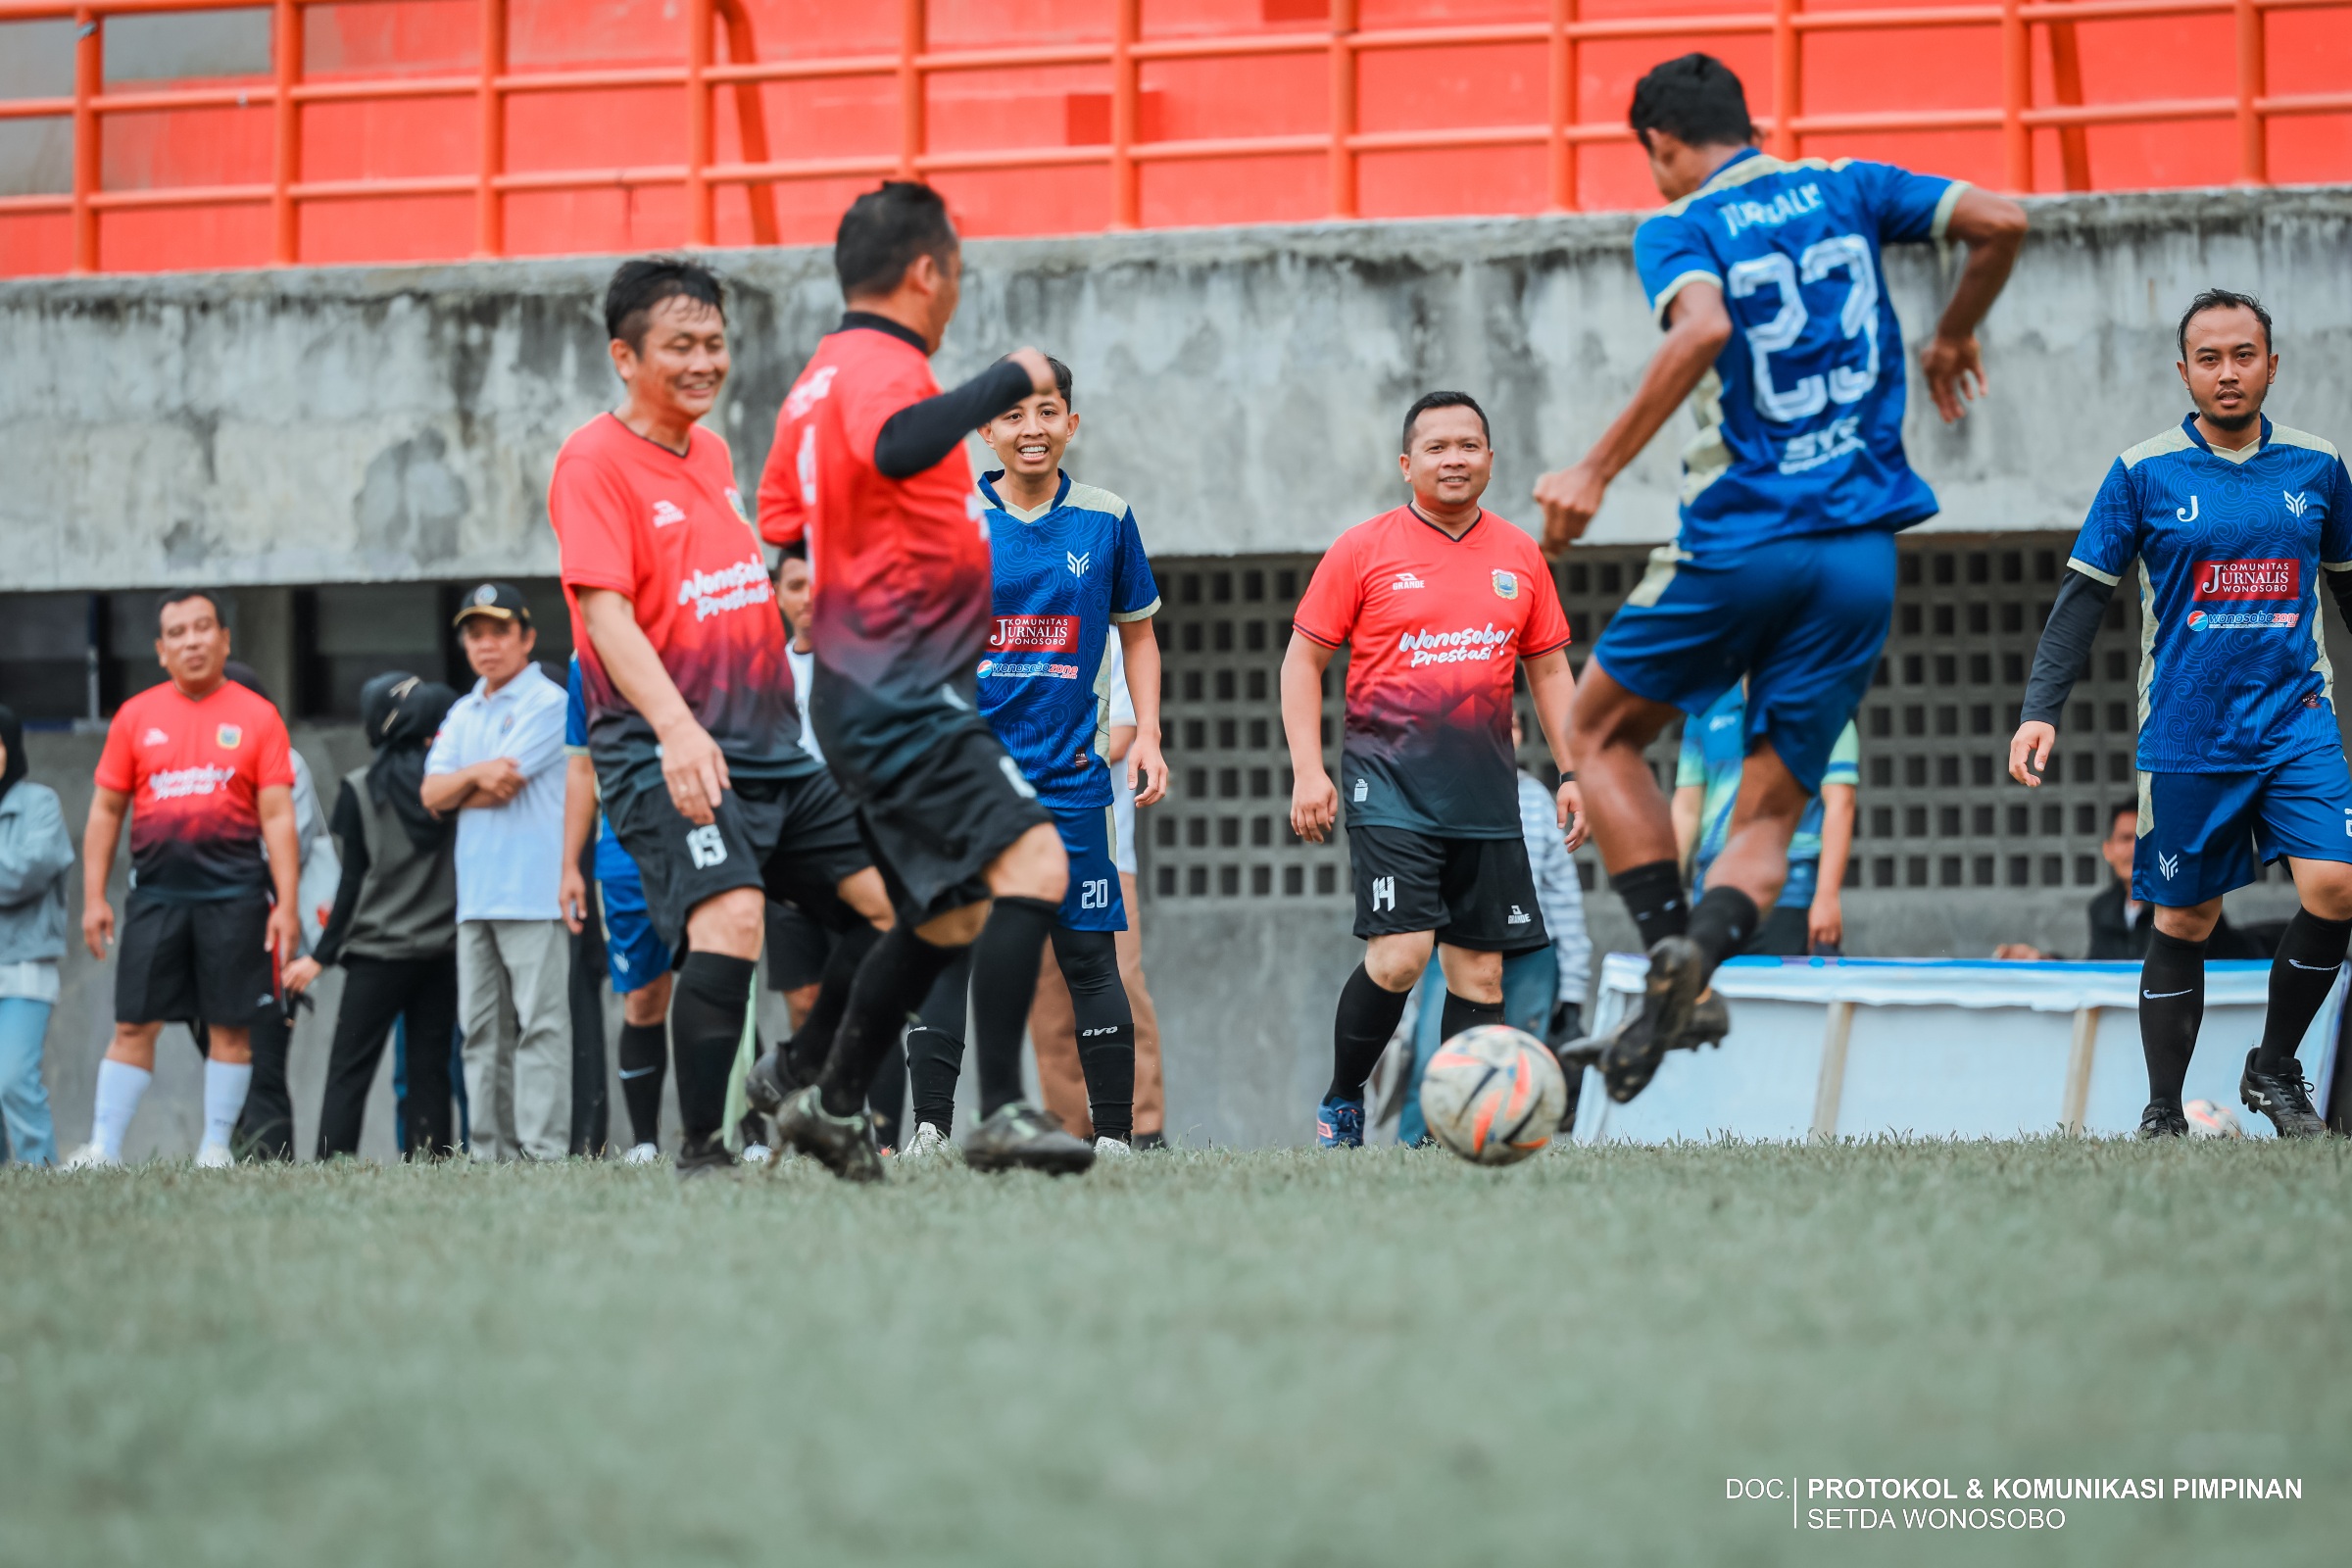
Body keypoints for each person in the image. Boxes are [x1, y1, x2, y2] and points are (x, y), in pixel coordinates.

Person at [1532, 53, 2027, 1103]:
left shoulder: (1681, 224)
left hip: (1745, 537)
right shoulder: (1850, 186)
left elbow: (1706, 325)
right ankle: (1699, 963)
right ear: (1747, 124)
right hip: (1861, 555)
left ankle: (1667, 949)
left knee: (1596, 731)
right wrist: (1951, 333)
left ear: (1662, 143)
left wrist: (1594, 469)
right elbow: (2002, 219)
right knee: (1767, 814)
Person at [756, 179, 1096, 1178]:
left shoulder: (814, 381)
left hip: (863, 685)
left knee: (944, 914)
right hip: (902, 685)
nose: (954, 294)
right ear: (925, 271)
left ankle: (824, 1094)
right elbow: (898, 446)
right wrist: (1006, 379)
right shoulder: (884, 366)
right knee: (1036, 863)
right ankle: (1002, 1113)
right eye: (955, 274)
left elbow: (781, 519)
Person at [557, 257, 896, 1181]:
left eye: (715, 342)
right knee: (734, 915)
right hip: (664, 749)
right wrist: (676, 730)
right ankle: (703, 1153)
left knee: (896, 904)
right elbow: (606, 616)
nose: (705, 361)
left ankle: (795, 1072)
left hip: (773, 752)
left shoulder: (709, 453)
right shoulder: (592, 462)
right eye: (681, 345)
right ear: (625, 357)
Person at [2008, 288, 2352, 1140]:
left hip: (2297, 720)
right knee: (2184, 920)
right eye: (2210, 358)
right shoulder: (2142, 471)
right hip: (2189, 733)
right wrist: (2040, 709)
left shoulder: (2319, 466)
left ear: (2272, 365)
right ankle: (2164, 1109)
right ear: (2184, 371)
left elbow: (2349, 588)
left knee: (2338, 886)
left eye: (2244, 355)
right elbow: (2082, 597)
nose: (2228, 372)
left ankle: (2275, 1067)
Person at [1284, 390, 1585, 1149]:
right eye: (1437, 447)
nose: (1454, 459)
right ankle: (1343, 1100)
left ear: (1490, 459)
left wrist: (1574, 771)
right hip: (1387, 784)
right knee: (1399, 956)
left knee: (1480, 976)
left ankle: (1458, 1131)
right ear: (1406, 463)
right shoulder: (1362, 549)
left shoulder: (1520, 555)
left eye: (1468, 446)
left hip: (1486, 794)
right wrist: (1308, 771)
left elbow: (1550, 671)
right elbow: (1302, 661)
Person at [899, 353, 1167, 1160]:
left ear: (1071, 423)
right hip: (967, 784)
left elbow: (1139, 634)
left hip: (1072, 781)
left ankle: (1114, 1138)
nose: (1032, 429)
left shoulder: (1107, 518)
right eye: (1013, 415)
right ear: (986, 431)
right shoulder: (950, 521)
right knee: (948, 946)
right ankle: (930, 1130)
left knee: (1089, 956)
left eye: (1047, 411)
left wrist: (1150, 734)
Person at [67, 590, 304, 1168]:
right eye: (178, 632)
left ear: (225, 639)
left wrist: (287, 904)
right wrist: (94, 897)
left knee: (231, 1029)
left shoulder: (259, 717)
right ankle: (103, 1148)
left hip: (237, 899)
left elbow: (278, 816)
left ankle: (216, 1148)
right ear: (160, 650)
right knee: (133, 1024)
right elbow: (106, 811)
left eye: (203, 628)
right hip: (156, 899)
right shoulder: (135, 716)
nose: (192, 641)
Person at [753, 544, 912, 1151]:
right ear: (777, 594)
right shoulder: (764, 673)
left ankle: (883, 1135)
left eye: (820, 584)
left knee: (877, 993)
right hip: (791, 855)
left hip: (863, 850)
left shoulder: (866, 666)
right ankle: (814, 1129)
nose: (809, 597)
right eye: (796, 585)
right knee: (804, 999)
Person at [1395, 707, 1593, 1146]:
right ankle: (1413, 1153)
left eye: (1513, 724)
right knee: (1433, 1062)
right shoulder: (1436, 792)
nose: (1504, 732)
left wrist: (1573, 992)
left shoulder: (1538, 800)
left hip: (1529, 956)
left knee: (1521, 1068)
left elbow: (1562, 895)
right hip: (1452, 947)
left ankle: (1513, 1153)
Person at [422, 583, 573, 1161]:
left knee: (540, 1026)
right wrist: (474, 776)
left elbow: (499, 789)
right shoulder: (463, 711)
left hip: (533, 891)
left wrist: (462, 785)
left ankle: (543, 1149)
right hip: (477, 897)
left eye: (499, 632)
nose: (486, 645)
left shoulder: (548, 702)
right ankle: (488, 1151)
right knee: (480, 1031)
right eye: (475, 634)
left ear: (526, 638)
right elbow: (430, 795)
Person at [285, 672, 463, 1158]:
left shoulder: (360, 788)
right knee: (430, 1070)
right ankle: (431, 1164)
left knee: (349, 1069)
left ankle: (332, 1161)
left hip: (375, 955)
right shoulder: (450, 789)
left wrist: (321, 956)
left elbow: (350, 887)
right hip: (441, 951)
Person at [1028, 636, 1169, 1148]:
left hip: (1105, 854)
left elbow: (1124, 733)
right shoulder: (1016, 631)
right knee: (1047, 995)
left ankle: (1144, 1128)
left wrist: (1042, 753)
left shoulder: (1107, 637)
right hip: (1032, 855)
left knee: (1121, 980)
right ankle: (1069, 1130)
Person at [219, 661, 339, 1160]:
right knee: (224, 1066)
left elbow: (287, 844)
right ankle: (228, 1163)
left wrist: (214, 861)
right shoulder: (195, 764)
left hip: (269, 935)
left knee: (263, 1067)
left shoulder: (285, 760)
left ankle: (270, 1170)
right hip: (212, 936)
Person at [561, 653, 673, 1163]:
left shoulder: (696, 624)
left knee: (720, 980)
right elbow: (582, 766)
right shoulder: (583, 660)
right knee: (643, 997)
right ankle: (645, 1142)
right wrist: (570, 865)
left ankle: (751, 1134)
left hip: (705, 831)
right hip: (623, 850)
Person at [1673, 687, 1857, 956]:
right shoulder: (1705, 707)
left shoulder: (1826, 704)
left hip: (1792, 893)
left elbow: (1840, 804)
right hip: (1713, 893)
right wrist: (1668, 897)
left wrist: (1827, 897)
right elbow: (1686, 810)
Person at [1992, 804, 2267, 963]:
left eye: (2143, 838)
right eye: (2125, 838)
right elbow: (2099, 971)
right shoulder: (2101, 908)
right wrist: (2042, 961)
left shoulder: (2183, 901)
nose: (2135, 849)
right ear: (2107, 850)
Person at [0, 705, 74, 1166]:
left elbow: (25, 872)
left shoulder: (39, 804)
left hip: (24, 967)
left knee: (13, 1079)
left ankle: (41, 1174)